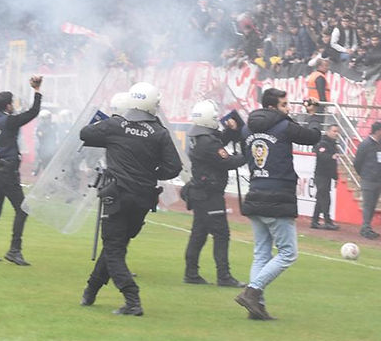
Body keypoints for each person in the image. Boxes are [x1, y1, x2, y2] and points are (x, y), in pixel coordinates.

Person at [79, 82, 182, 316]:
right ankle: (91, 290)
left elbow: (84, 133)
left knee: (114, 250)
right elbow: (173, 167)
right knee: (116, 245)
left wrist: (106, 122)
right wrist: (152, 174)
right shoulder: (159, 132)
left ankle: (132, 299)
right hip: (143, 199)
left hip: (116, 196)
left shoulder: (115, 125)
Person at [235, 88, 321, 321]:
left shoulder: (246, 128)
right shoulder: (284, 126)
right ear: (273, 107)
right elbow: (313, 137)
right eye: (285, 104)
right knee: (288, 253)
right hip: (278, 194)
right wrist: (313, 114)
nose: (288, 108)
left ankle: (257, 307)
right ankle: (252, 292)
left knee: (261, 254)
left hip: (255, 192)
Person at [182, 99, 247, 287]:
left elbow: (220, 141)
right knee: (221, 233)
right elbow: (227, 161)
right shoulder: (208, 142)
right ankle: (223, 276)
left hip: (201, 193)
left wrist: (232, 130)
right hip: (210, 194)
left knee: (199, 233)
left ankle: (191, 273)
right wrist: (247, 156)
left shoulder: (200, 138)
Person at [0, 76, 43, 266]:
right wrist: (37, 91)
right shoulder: (8, 122)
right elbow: (33, 112)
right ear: (8, 106)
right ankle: (14, 250)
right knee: (23, 209)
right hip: (7, 170)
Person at [353, 122, 381, 239]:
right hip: (368, 179)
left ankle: (367, 227)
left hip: (378, 179)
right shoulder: (365, 144)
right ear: (377, 131)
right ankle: (366, 228)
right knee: (368, 204)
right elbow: (357, 162)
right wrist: (363, 174)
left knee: (372, 205)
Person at [310, 124, 340, 230]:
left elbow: (334, 164)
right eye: (334, 131)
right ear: (328, 132)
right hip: (321, 175)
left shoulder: (333, 145)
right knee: (325, 198)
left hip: (327, 175)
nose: (336, 133)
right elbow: (321, 156)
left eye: (337, 131)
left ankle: (314, 220)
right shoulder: (323, 143)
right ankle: (327, 221)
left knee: (320, 198)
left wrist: (335, 177)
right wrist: (331, 156)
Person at [33, 110, 56, 176]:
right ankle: (37, 170)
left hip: (51, 148)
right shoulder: (40, 127)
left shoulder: (52, 125)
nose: (49, 119)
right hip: (43, 148)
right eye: (47, 118)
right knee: (43, 162)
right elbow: (42, 136)